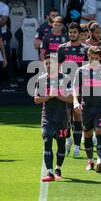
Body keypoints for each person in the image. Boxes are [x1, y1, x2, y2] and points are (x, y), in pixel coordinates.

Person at [73, 45, 101, 172]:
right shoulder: (80, 71)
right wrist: (76, 102)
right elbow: (75, 89)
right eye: (92, 58)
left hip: (100, 108)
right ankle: (90, 161)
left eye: (96, 58)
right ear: (88, 57)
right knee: (87, 134)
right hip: (86, 108)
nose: (94, 61)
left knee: (100, 132)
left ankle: (100, 161)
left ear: (100, 58)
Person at [35, 54, 73, 182]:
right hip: (47, 116)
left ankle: (58, 169)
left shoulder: (65, 78)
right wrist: (49, 97)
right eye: (46, 64)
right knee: (47, 141)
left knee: (61, 145)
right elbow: (36, 99)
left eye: (51, 63)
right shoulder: (41, 79)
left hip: (62, 116)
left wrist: (58, 95)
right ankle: (49, 172)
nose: (49, 66)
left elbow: (71, 98)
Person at [57, 22, 89, 158]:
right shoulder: (62, 48)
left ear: (79, 33)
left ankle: (76, 147)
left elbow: (89, 68)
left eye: (75, 32)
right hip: (66, 87)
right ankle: (68, 138)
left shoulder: (86, 49)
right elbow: (58, 68)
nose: (72, 34)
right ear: (68, 33)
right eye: (70, 32)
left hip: (80, 88)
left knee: (78, 116)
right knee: (65, 117)